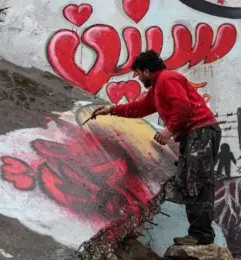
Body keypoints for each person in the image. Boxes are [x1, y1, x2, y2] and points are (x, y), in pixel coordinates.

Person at [90, 50, 221, 246]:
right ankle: (198, 234)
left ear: (147, 71)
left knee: (198, 182)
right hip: (193, 134)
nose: (138, 77)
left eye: (138, 73)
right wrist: (111, 110)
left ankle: (202, 236)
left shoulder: (167, 79)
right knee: (186, 181)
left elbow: (183, 106)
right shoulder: (158, 87)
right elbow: (139, 108)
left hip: (201, 131)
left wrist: (169, 131)